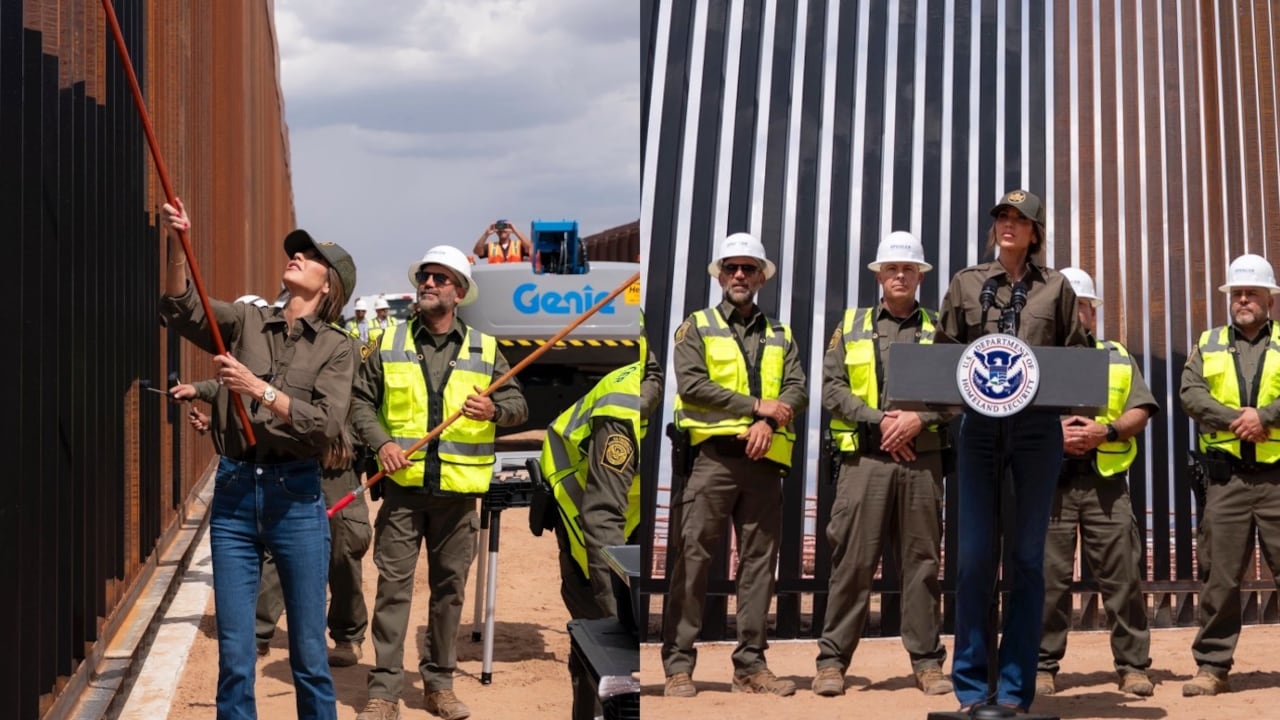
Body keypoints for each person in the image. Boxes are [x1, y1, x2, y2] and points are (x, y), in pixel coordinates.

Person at [159, 199, 358, 720]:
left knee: (310, 657)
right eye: (296, 251)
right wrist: (178, 244)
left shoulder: (339, 348)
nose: (295, 256)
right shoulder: (249, 320)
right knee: (236, 655)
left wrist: (258, 390)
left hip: (296, 498)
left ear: (329, 284)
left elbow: (328, 424)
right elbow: (186, 309)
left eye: (310, 256)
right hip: (234, 494)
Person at [350, 245, 528, 720]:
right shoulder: (388, 343)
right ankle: (385, 691)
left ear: (460, 292)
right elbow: (361, 404)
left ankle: (439, 685)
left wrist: (495, 410)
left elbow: (519, 406)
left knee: (449, 591)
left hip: (456, 498)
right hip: (404, 493)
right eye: (424, 277)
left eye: (440, 278)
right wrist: (382, 442)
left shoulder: (485, 349)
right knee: (394, 589)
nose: (428, 284)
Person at [935, 189, 1088, 714]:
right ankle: (973, 691)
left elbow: (1079, 358)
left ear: (1035, 232)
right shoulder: (966, 284)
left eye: (1019, 219)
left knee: (1026, 561)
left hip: (1036, 434)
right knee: (974, 559)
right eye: (1002, 216)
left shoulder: (1057, 289)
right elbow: (942, 358)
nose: (1009, 224)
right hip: (979, 433)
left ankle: (1017, 692)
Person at [660, 232, 808, 698]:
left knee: (759, 566)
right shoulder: (696, 326)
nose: (739, 275)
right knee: (693, 561)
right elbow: (691, 385)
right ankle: (679, 665)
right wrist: (756, 407)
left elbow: (797, 390)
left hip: (763, 462)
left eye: (748, 268)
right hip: (712, 460)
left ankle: (751, 666)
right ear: (720, 275)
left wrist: (766, 420)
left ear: (762, 276)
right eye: (731, 268)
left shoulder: (781, 332)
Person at [812, 232, 954, 697]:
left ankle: (928, 664)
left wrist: (918, 419)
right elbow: (832, 388)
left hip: (921, 463)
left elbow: (960, 394)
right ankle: (832, 663)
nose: (899, 276)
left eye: (907, 269)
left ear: (919, 276)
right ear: (878, 275)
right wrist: (881, 422)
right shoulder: (850, 325)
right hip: (865, 461)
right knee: (852, 563)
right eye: (891, 269)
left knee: (921, 564)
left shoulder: (940, 329)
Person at [1037, 267, 1157, 698]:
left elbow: (1141, 408)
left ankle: (1133, 666)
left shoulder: (1117, 354)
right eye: (1068, 306)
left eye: (1083, 306)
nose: (1077, 313)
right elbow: (1014, 417)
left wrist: (1104, 433)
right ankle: (1042, 666)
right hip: (1051, 485)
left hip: (1105, 484)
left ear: (1092, 313)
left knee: (1123, 579)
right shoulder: (1032, 359)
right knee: (1048, 581)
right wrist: (1056, 435)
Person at [1179, 253, 1280, 697]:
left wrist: (1266, 417)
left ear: (1269, 299)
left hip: (1277, 479)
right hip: (1227, 482)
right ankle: (1213, 666)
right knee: (1220, 576)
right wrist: (1237, 420)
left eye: (1251, 293)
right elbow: (1190, 394)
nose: (1243, 300)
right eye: (1237, 293)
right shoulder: (1209, 341)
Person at [539, 360, 643, 720]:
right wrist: (623, 619)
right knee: (602, 641)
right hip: (582, 506)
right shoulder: (625, 402)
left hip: (633, 512)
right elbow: (600, 517)